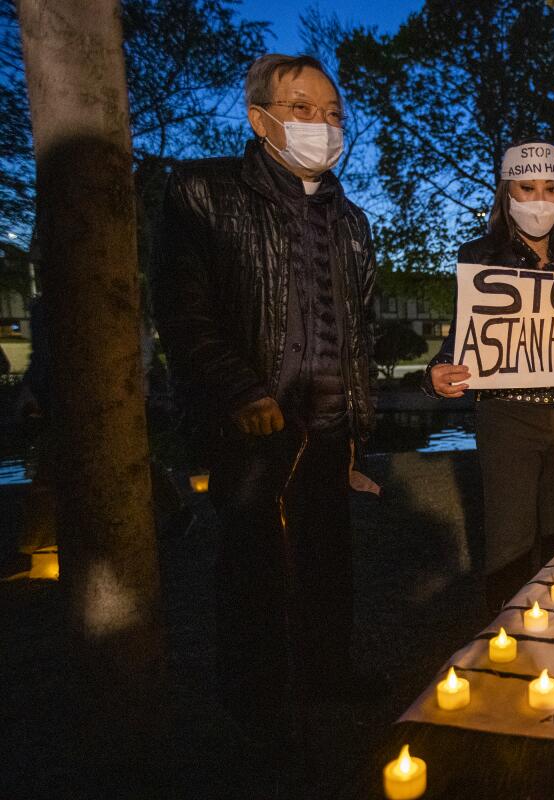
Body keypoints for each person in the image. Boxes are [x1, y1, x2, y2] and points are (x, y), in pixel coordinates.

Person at [150, 54, 379, 734]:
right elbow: (183, 311)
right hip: (253, 423)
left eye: (334, 114)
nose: (323, 125)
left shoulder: (353, 221)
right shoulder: (202, 192)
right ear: (259, 119)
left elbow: (358, 327)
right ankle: (256, 706)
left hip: (329, 420)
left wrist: (357, 426)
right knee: (252, 567)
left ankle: (326, 675)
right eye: (303, 109)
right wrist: (239, 389)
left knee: (326, 561)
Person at [422, 140, 554, 611]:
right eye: (527, 188)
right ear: (506, 193)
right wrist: (433, 374)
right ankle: (506, 644)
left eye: (550, 189)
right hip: (506, 418)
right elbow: (462, 338)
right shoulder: (478, 255)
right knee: (509, 545)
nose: (539, 199)